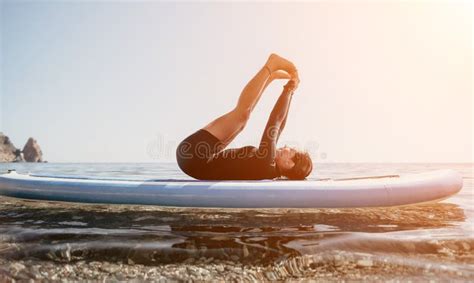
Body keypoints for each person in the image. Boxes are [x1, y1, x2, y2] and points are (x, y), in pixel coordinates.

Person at [176, 54, 313, 180]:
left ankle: (270, 66)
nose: (286, 146)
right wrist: (291, 92)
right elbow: (281, 125)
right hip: (200, 158)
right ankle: (269, 77)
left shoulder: (266, 162)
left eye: (291, 150)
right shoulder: (269, 167)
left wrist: (288, 89)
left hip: (193, 156)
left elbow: (275, 120)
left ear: (289, 163)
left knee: (242, 116)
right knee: (243, 117)